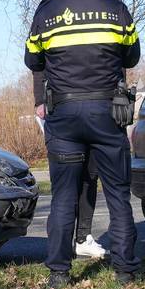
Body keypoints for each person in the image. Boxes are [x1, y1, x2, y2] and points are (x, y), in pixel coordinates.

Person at [25, 0, 140, 289]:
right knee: (118, 193)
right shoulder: (117, 10)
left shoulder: (46, 12)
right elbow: (132, 55)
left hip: (63, 116)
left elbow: (33, 59)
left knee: (63, 195)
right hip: (106, 113)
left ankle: (59, 273)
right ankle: (125, 271)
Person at [32, 71, 107, 258]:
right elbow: (37, 65)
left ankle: (83, 238)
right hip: (61, 111)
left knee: (90, 176)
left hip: (92, 107)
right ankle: (60, 249)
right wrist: (40, 100)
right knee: (65, 186)